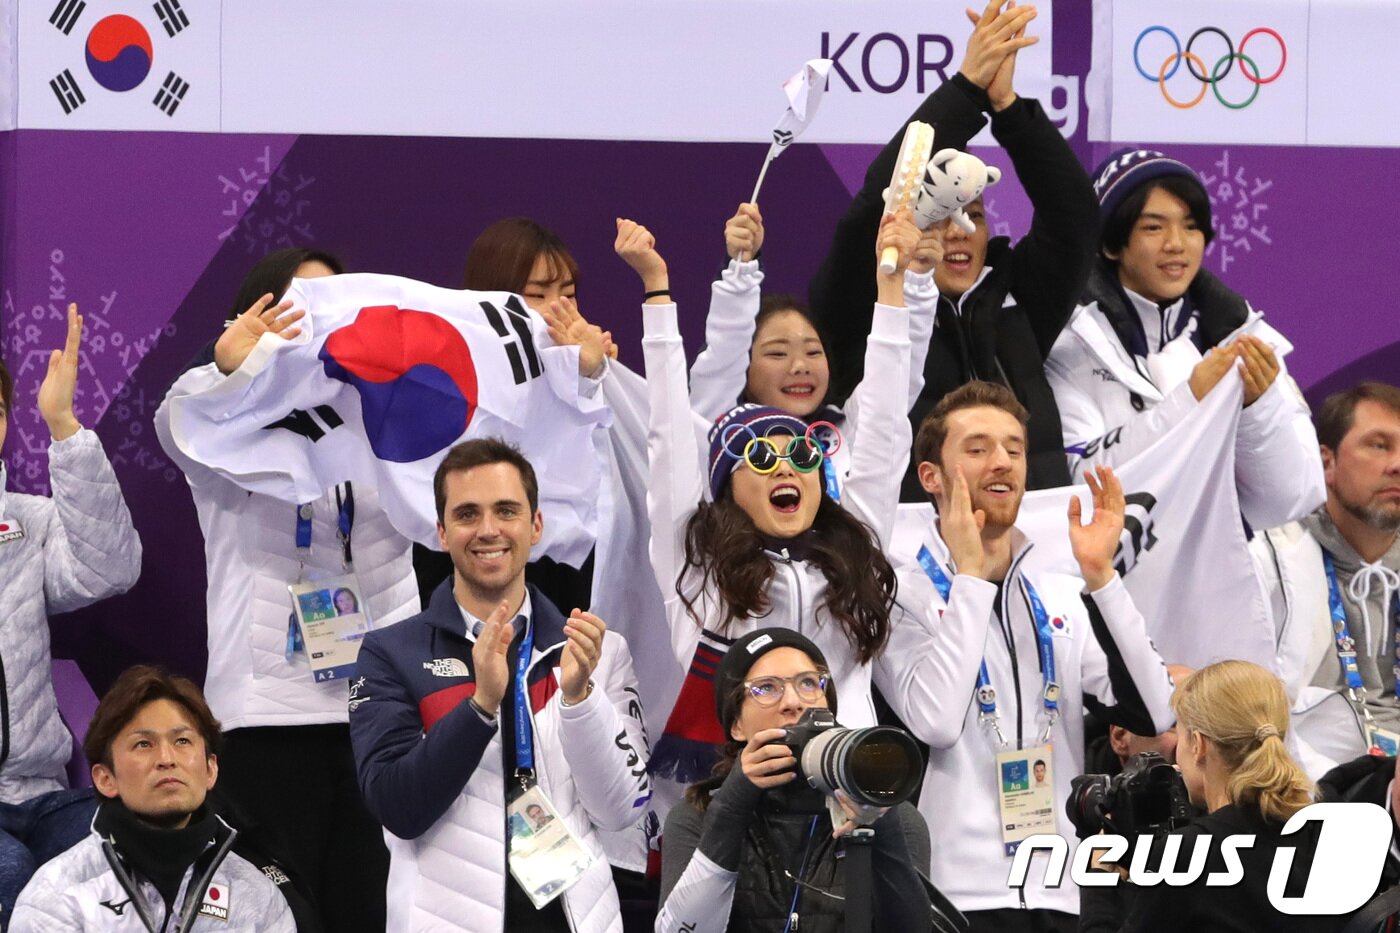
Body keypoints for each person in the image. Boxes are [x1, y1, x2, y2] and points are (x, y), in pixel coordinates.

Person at [153, 248, 412, 931]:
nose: (323, 320)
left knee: (370, 914)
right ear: (260, 315)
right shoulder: (225, 425)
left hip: (372, 716)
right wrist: (225, 364)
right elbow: (176, 425)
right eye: (306, 303)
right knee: (278, 919)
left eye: (337, 304)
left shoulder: (385, 417)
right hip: (266, 720)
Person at [873, 380, 1174, 931]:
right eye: (978, 447)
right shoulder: (898, 595)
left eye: (1014, 448)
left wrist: (1101, 578)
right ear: (931, 477)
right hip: (949, 892)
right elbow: (936, 722)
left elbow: (1155, 712)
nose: (1002, 462)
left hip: (1059, 891)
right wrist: (968, 576)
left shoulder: (1057, 593)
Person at [640, 214, 919, 782]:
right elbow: (668, 432)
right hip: (734, 792)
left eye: (803, 456)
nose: (787, 467)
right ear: (727, 485)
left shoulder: (854, 545)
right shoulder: (696, 563)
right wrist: (657, 294)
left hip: (852, 787)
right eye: (762, 458)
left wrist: (893, 285)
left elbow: (887, 423)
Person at [349, 438, 651, 933]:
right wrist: (480, 706)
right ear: (442, 534)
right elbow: (397, 808)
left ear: (535, 525)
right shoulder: (391, 654)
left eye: (506, 511)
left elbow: (622, 810)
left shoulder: (597, 650)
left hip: (578, 919)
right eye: (467, 514)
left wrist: (580, 700)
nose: (488, 530)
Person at [807, 0, 1099, 497]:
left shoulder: (1018, 303)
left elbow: (1075, 218)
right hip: (910, 550)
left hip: (1026, 543)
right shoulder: (868, 310)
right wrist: (966, 90)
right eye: (941, 215)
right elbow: (872, 207)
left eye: (975, 216)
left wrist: (1008, 109)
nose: (959, 232)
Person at [1044, 149, 1323, 531]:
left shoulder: (1241, 334)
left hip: (1216, 575)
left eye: (1191, 226)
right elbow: (1080, 484)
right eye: (1153, 227)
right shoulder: (1068, 343)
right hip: (1107, 575)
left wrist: (1257, 411)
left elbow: (1291, 500)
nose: (1177, 243)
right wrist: (1189, 400)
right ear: (1110, 244)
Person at [0, 303, 141, 925]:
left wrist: (64, 428)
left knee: (127, 854)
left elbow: (109, 568)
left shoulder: (25, 523)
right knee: (12, 881)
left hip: (42, 790)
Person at [656, 628, 937, 933]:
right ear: (736, 725)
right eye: (766, 688)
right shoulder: (696, 816)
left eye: (808, 683)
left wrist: (884, 829)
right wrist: (733, 805)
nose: (793, 702)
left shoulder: (886, 814)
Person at [10, 666, 294, 931]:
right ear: (105, 778)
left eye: (182, 741)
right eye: (143, 744)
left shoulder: (258, 896)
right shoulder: (55, 899)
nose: (167, 759)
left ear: (210, 769)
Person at [1117, 661, 1335, 932]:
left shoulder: (1187, 854)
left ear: (1198, 745)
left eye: (1181, 735)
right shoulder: (1325, 838)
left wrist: (1099, 878)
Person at [1251, 381, 1400, 777]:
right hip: (1311, 790)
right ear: (1326, 463)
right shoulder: (1272, 557)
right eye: (1378, 445)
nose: (1397, 464)